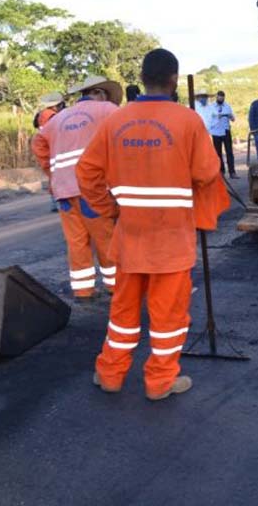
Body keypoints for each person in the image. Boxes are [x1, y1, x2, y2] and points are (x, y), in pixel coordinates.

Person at [77, 48, 230, 401]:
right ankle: (160, 382)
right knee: (168, 319)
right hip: (171, 243)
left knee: (122, 314)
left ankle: (110, 374)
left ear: (142, 78)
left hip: (129, 237)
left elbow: (86, 172)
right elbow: (208, 173)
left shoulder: (116, 121)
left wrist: (109, 209)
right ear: (174, 80)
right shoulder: (188, 121)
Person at [32, 76, 122, 302]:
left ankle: (83, 291)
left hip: (64, 191)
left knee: (76, 241)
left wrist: (53, 174)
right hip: (92, 190)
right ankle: (116, 286)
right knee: (105, 238)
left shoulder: (58, 119)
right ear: (99, 92)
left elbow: (38, 143)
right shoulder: (107, 110)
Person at [33, 92, 66, 212]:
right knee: (58, 175)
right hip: (52, 147)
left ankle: (54, 201)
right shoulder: (53, 116)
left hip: (44, 148)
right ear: (57, 105)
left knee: (53, 175)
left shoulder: (41, 114)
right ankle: (58, 201)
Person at [213, 90, 237, 177]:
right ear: (217, 97)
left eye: (222, 97)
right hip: (216, 131)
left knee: (229, 152)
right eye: (219, 97)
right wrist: (216, 117)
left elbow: (233, 119)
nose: (221, 99)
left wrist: (230, 116)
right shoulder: (212, 107)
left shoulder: (227, 106)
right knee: (218, 152)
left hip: (226, 130)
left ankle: (232, 172)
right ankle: (221, 171)